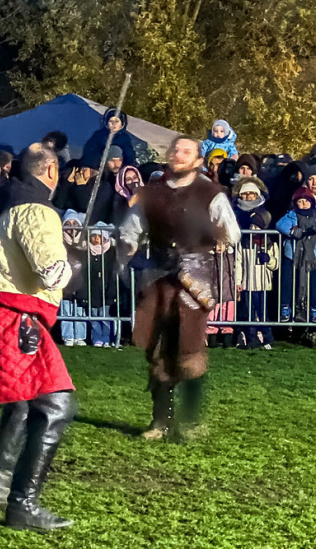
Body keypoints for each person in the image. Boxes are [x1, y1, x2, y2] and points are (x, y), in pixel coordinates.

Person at [0, 144, 76, 531]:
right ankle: (22, 505)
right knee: (57, 406)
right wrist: (73, 262)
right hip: (16, 319)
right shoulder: (37, 210)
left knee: (23, 405)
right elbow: (50, 272)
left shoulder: (6, 203)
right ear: (50, 172)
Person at [117, 135, 241, 440]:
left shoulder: (210, 193)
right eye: (175, 149)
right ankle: (160, 421)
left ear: (198, 161)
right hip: (158, 276)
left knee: (189, 349)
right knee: (157, 348)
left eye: (186, 151)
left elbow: (232, 232)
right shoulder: (152, 194)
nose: (178, 154)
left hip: (194, 280)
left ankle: (191, 421)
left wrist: (212, 237)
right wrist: (127, 247)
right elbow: (130, 231)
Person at [276, 187, 316, 323]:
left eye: (306, 201)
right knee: (288, 283)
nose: (303, 204)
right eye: (300, 201)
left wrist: (315, 230)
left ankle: (314, 310)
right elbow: (280, 224)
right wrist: (292, 232)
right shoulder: (292, 214)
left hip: (312, 257)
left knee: (314, 285)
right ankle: (286, 308)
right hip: (292, 256)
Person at [235, 210, 279, 349]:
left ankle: (267, 338)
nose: (253, 230)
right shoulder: (243, 244)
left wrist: (269, 259)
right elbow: (239, 263)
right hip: (248, 284)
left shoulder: (271, 244)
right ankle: (251, 337)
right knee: (249, 313)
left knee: (262, 313)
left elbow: (276, 265)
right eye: (252, 227)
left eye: (257, 227)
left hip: (263, 285)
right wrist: (238, 282)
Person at [82, 222, 117, 348]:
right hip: (92, 289)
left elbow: (112, 272)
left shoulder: (110, 253)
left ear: (105, 238)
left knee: (105, 316)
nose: (96, 239)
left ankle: (106, 337)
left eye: (99, 236)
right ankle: (97, 337)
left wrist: (111, 291)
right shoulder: (87, 252)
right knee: (93, 316)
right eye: (93, 236)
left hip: (106, 289)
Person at [59, 210, 88, 347]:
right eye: (68, 223)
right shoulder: (60, 242)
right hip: (66, 282)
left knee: (79, 310)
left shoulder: (84, 243)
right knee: (65, 308)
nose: (71, 227)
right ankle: (68, 336)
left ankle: (80, 336)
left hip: (80, 281)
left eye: (74, 223)